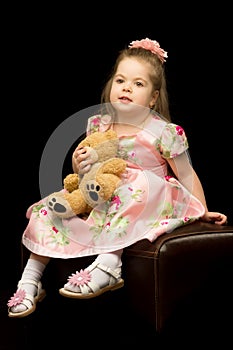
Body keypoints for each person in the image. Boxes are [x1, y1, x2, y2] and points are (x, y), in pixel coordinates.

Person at [7, 37, 227, 318]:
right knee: (50, 206)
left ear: (153, 97)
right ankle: (30, 280)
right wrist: (79, 162)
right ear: (111, 85)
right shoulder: (98, 124)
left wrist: (202, 210)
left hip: (148, 198)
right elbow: (88, 173)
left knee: (131, 185)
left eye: (138, 84)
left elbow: (186, 173)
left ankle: (110, 264)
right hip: (102, 196)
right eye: (121, 80)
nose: (127, 88)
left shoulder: (164, 131)